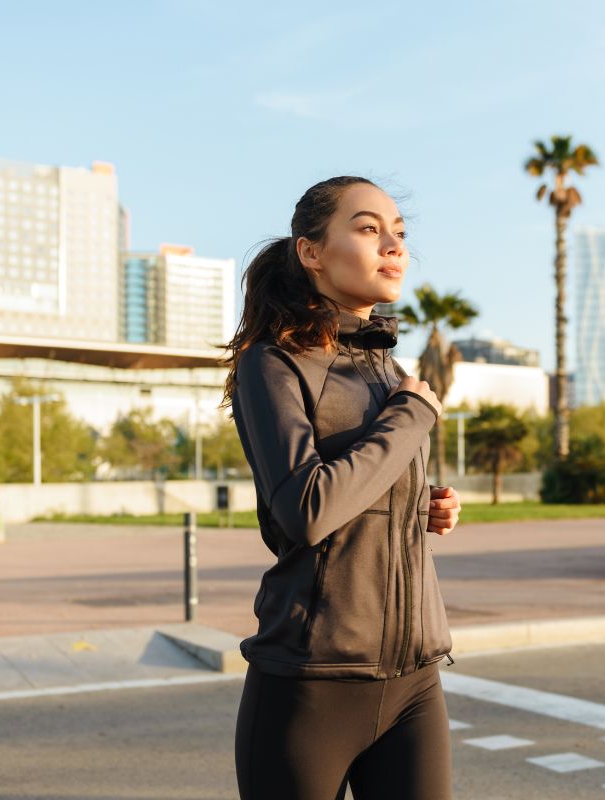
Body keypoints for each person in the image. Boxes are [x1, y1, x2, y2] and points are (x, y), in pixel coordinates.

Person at [222, 176, 463, 800]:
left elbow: (367, 477)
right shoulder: (270, 362)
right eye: (368, 228)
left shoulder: (385, 363)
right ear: (311, 252)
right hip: (311, 683)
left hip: (414, 679)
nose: (394, 246)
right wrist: (412, 414)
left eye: (399, 234)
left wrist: (421, 504)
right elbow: (307, 510)